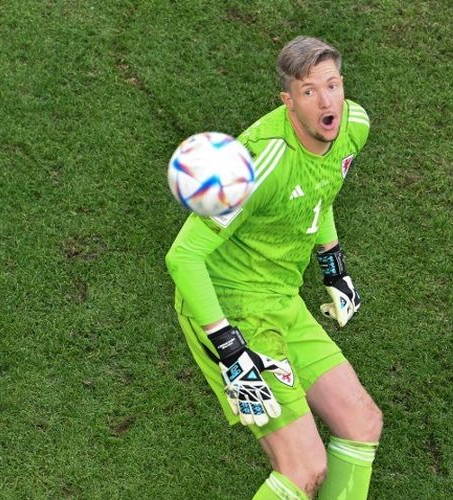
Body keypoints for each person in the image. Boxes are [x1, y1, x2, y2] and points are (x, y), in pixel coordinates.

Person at [165, 36, 382, 499]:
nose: (327, 101)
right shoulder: (256, 164)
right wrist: (230, 348)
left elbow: (320, 192)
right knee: (303, 468)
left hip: (282, 299)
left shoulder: (353, 126)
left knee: (361, 422)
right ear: (288, 101)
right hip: (231, 308)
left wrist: (333, 264)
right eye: (309, 91)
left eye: (332, 85)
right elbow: (182, 256)